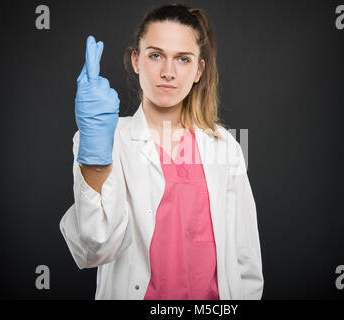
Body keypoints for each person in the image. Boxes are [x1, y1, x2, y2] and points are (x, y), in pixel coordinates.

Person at [60, 3, 263, 300]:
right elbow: (94, 248)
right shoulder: (106, 139)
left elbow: (246, 262)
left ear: (198, 70)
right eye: (156, 55)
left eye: (183, 59)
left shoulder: (225, 146)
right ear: (136, 61)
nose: (168, 72)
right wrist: (95, 155)